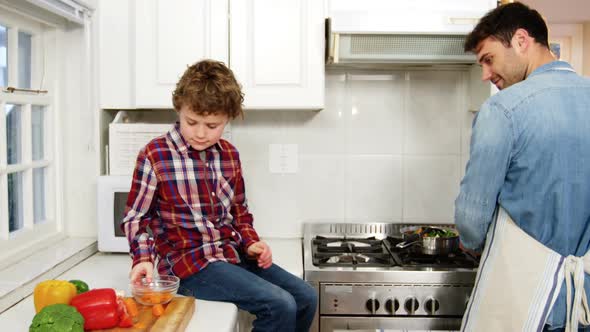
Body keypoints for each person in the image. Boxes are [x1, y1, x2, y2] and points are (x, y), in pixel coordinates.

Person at [121, 59, 317, 332]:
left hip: (231, 255)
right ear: (179, 108)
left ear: (228, 119)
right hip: (189, 265)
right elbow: (135, 218)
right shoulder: (155, 155)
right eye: (192, 122)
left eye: (212, 125)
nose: (201, 133)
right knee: (279, 304)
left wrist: (251, 243)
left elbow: (239, 211)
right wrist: (142, 259)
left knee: (306, 297)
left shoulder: (229, 154)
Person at [455, 2, 590, 332]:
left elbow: (471, 220)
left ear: (520, 40)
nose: (486, 74)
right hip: (584, 300)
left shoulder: (502, 110)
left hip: (528, 301)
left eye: (488, 59)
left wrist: (469, 245)